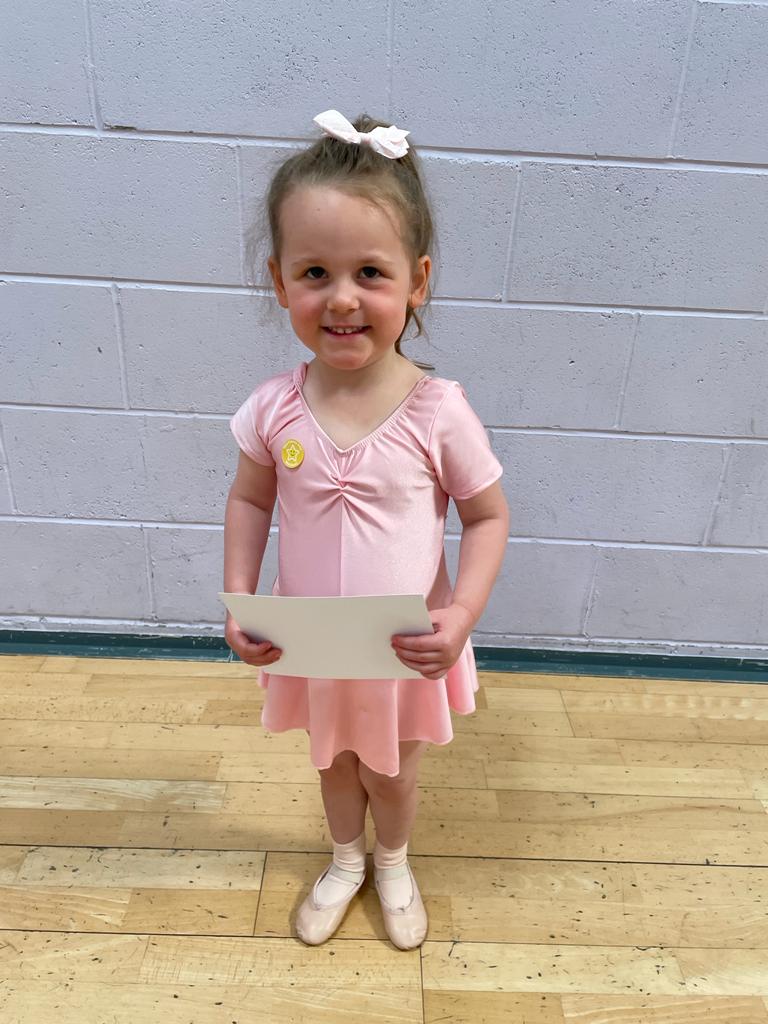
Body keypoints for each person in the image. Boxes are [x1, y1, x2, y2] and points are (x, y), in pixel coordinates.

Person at [223, 109, 509, 950]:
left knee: (392, 769)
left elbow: (488, 516)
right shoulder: (274, 408)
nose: (342, 297)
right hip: (314, 639)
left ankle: (392, 860)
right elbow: (250, 501)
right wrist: (241, 598)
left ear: (416, 281)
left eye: (370, 273)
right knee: (332, 760)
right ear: (280, 282)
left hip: (400, 649)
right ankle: (344, 858)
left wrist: (461, 616)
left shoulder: (437, 412)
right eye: (315, 271)